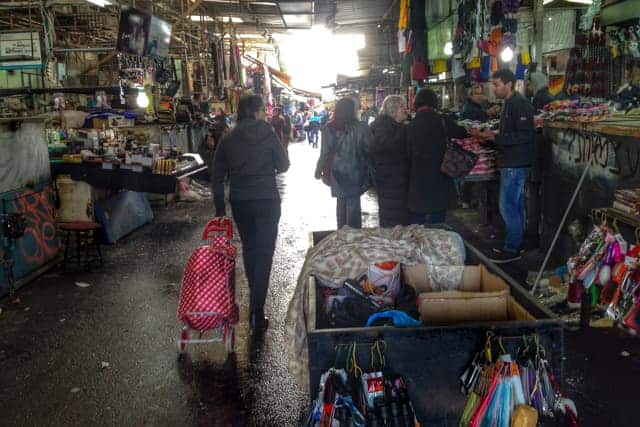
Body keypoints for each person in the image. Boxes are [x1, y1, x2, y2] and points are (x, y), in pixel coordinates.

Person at [213, 95, 290, 330]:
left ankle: (256, 301)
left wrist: (219, 211)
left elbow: (216, 177)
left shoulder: (228, 138)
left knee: (250, 248)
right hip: (267, 199)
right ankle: (257, 309)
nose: (265, 115)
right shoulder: (268, 133)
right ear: (256, 112)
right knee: (265, 252)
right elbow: (284, 165)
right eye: (263, 111)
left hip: (241, 202)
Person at [478, 69, 535, 263]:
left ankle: (512, 248)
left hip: (516, 163)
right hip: (510, 162)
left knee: (508, 207)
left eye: (497, 84)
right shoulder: (509, 104)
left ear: (509, 84)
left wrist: (496, 137)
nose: (493, 89)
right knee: (515, 206)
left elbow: (526, 135)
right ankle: (517, 243)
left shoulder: (520, 104)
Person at [406, 88, 468, 225]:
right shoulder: (443, 120)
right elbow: (462, 132)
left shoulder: (410, 126)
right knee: (438, 216)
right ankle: (437, 243)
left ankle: (417, 243)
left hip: (418, 176)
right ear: (434, 102)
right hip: (441, 172)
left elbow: (407, 153)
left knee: (418, 217)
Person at [314, 98, 371, 229]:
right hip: (356, 172)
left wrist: (318, 171)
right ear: (352, 111)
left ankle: (341, 235)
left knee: (341, 203)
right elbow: (369, 149)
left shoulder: (328, 128)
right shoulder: (361, 128)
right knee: (353, 204)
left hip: (336, 173)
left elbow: (324, 153)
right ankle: (353, 237)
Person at [369, 95, 410, 227]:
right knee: (392, 216)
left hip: (393, 176)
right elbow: (388, 146)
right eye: (402, 107)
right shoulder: (383, 125)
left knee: (394, 213)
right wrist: (404, 128)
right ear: (394, 109)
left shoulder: (390, 124)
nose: (405, 109)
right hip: (390, 177)